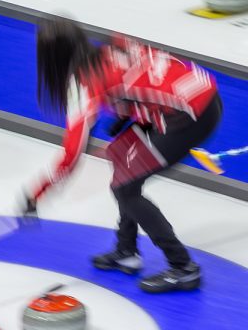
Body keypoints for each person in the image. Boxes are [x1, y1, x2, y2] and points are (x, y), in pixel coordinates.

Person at [22, 16, 221, 293]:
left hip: (191, 116)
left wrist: (37, 193)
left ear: (51, 60)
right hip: (198, 96)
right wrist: (124, 120)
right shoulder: (113, 45)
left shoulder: (85, 84)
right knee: (120, 158)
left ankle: (183, 267)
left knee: (126, 188)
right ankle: (126, 251)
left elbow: (72, 155)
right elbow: (149, 81)